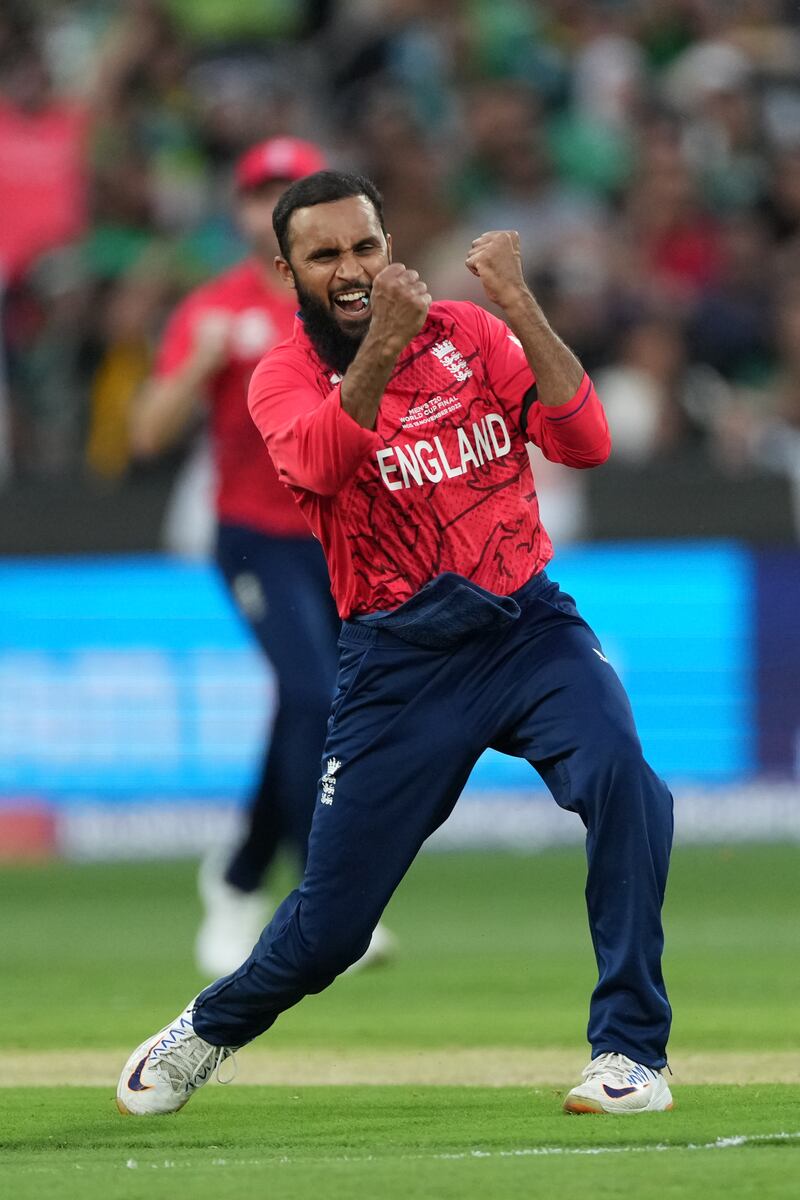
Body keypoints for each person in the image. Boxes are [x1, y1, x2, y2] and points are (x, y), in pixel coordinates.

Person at [118, 170, 674, 1117]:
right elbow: (323, 463)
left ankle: (630, 1054)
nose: (351, 269)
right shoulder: (281, 376)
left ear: (389, 245)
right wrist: (381, 341)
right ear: (287, 269)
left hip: (524, 625)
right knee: (330, 930)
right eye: (325, 254)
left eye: (364, 247)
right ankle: (208, 1030)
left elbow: (585, 441)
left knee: (626, 778)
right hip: (397, 660)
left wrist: (516, 301)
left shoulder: (471, 333)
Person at [130, 144, 394, 977]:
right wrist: (204, 361)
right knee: (315, 692)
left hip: (346, 534)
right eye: (258, 194)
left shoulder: (356, 303)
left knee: (316, 701)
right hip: (257, 535)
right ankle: (322, 898)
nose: (270, 203)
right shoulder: (213, 309)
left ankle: (240, 877)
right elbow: (147, 434)